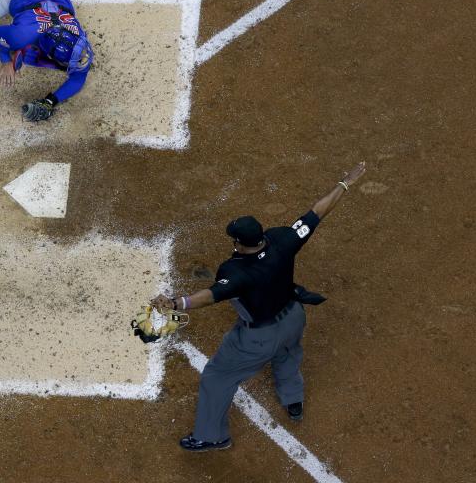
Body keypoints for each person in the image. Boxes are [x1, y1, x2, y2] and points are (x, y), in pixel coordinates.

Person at [153, 162, 367, 452]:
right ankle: (293, 400)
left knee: (218, 376)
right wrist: (344, 184)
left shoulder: (237, 270)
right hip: (293, 317)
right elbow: (317, 211)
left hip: (257, 338)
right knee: (288, 354)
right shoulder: (282, 239)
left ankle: (211, 436)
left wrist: (177, 303)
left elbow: (212, 294)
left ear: (241, 244)